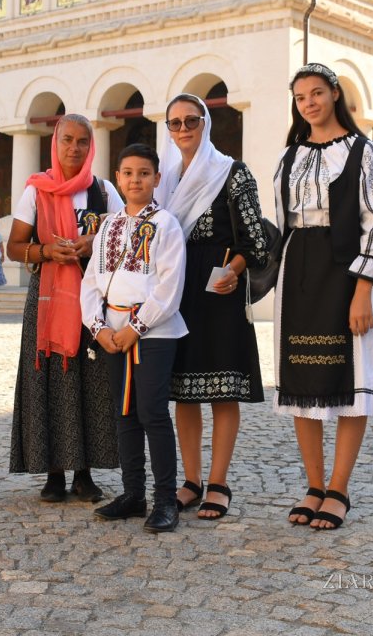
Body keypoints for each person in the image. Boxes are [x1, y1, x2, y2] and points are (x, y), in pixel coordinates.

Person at [274, 63, 373, 530]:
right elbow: (281, 220)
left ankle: (339, 489)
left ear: (335, 94)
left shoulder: (363, 152)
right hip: (297, 268)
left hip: (343, 269)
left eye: (317, 93)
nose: (309, 103)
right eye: (301, 97)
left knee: (351, 381)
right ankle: (314, 486)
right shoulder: (290, 156)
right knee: (301, 382)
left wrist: (363, 289)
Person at [157, 94, 268, 520]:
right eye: (175, 123)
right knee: (184, 392)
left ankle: (218, 483)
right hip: (178, 290)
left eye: (191, 121)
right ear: (167, 129)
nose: (183, 129)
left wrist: (233, 270)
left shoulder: (232, 172)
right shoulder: (164, 178)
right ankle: (191, 480)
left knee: (222, 391)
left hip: (218, 289)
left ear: (205, 123)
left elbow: (255, 238)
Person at [8, 115, 124, 503]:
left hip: (93, 301)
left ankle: (84, 473)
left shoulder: (105, 192)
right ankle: (53, 474)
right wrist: (45, 251)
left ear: (91, 146)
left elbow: (125, 238)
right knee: (51, 380)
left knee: (91, 383)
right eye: (67, 140)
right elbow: (15, 246)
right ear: (54, 143)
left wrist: (94, 244)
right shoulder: (36, 191)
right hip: (47, 302)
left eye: (81, 142)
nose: (74, 148)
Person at [81, 143, 188, 533]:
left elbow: (169, 287)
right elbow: (91, 280)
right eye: (127, 173)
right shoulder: (108, 225)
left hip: (154, 332)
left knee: (152, 413)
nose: (135, 180)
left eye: (143, 173)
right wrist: (99, 328)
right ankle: (132, 494)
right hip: (111, 331)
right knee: (123, 414)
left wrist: (134, 329)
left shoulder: (166, 224)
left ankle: (165, 500)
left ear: (157, 179)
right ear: (118, 178)